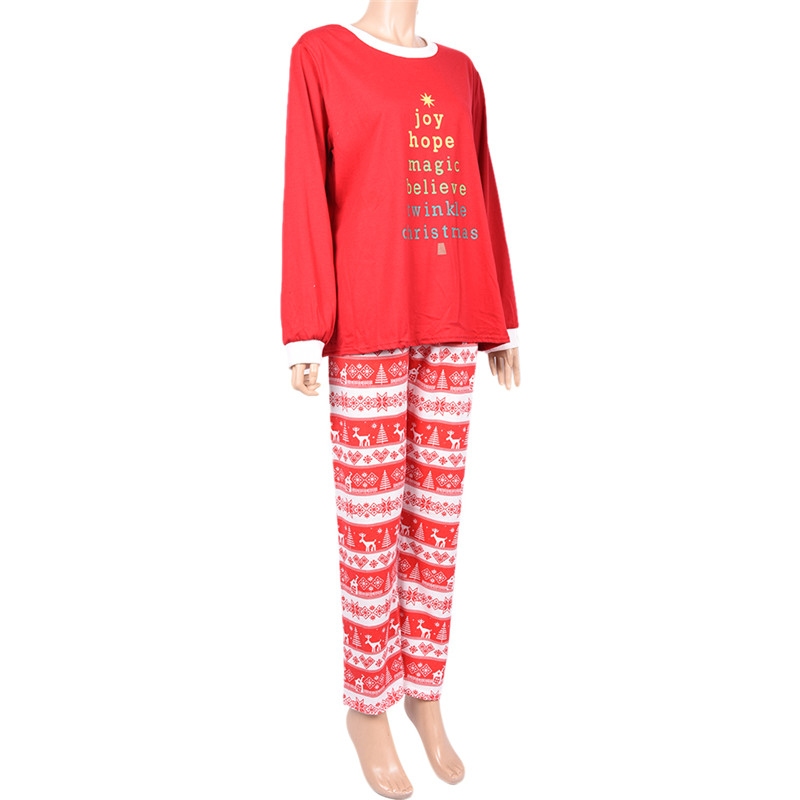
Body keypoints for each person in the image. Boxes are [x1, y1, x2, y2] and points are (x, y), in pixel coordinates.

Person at [280, 3, 521, 797]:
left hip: (452, 317)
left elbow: (479, 190)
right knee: (371, 526)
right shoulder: (322, 55)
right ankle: (368, 705)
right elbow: (305, 191)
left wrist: (500, 318)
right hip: (367, 324)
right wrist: (305, 328)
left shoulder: (460, 72)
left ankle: (425, 691)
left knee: (435, 526)